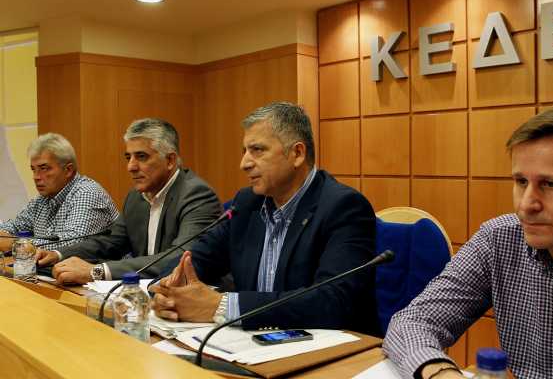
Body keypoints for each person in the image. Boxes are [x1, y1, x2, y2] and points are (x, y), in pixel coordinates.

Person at [383, 105, 553, 379]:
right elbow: (411, 322)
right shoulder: (499, 239)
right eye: (521, 182)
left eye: (550, 185)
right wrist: (441, 373)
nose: (526, 205)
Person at [151, 101, 379, 335]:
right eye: (244, 151)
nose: (244, 164)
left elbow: (333, 301)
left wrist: (222, 306)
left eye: (257, 150)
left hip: (329, 347)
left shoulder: (344, 207)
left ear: (297, 153)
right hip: (252, 342)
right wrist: (166, 290)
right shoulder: (247, 203)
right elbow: (198, 257)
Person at [36, 118, 222, 283]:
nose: (131, 167)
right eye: (128, 157)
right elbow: (111, 243)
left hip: (192, 296)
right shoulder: (136, 197)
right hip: (147, 293)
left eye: (141, 157)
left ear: (170, 160)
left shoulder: (196, 195)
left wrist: (97, 271)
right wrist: (58, 254)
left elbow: (179, 258)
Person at [0, 133, 118, 252]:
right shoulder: (41, 200)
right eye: (34, 169)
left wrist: (15, 244)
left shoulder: (87, 193)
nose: (36, 177)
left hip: (103, 263)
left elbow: (72, 243)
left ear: (68, 170)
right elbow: (13, 227)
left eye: (44, 168)